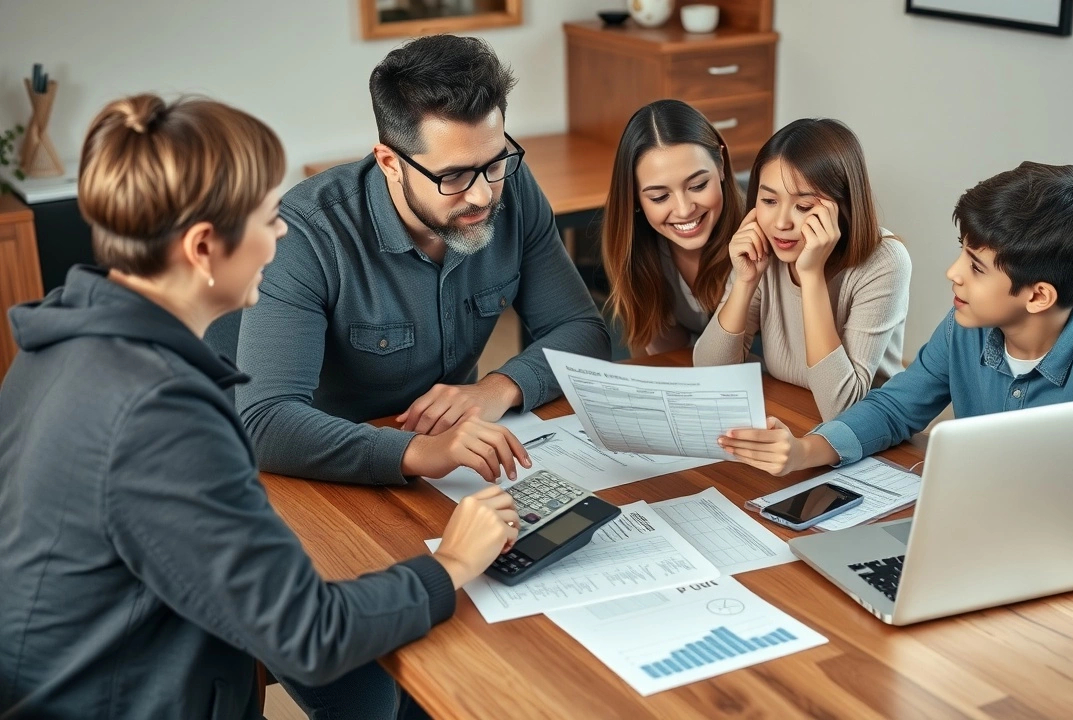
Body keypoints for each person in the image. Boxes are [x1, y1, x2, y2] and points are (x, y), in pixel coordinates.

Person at [0, 94, 524, 719]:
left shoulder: (62, 339)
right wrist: (454, 560)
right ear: (202, 248)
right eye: (266, 217)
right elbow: (310, 633)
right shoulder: (162, 414)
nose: (280, 234)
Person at [717, 162, 1073, 524]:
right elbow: (893, 410)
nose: (953, 273)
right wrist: (805, 451)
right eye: (961, 253)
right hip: (977, 529)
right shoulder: (963, 330)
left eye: (975, 266)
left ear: (1038, 295)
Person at [226, 35, 611, 485]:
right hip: (325, 474)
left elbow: (584, 332)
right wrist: (419, 451)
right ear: (390, 163)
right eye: (454, 176)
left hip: (455, 461)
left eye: (494, 163)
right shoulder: (306, 234)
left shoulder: (513, 189)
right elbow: (265, 422)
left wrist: (498, 388)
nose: (484, 193)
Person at [692, 118, 911, 421]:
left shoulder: (885, 260)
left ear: (843, 205)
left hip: (871, 438)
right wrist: (745, 281)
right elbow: (708, 374)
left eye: (804, 207)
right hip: (790, 415)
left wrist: (811, 277)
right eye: (769, 200)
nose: (781, 223)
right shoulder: (765, 247)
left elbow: (843, 408)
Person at [601, 99, 744, 355]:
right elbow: (661, 357)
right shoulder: (637, 248)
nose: (683, 209)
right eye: (659, 197)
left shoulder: (762, 236)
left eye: (698, 185)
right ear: (634, 196)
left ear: (721, 164)